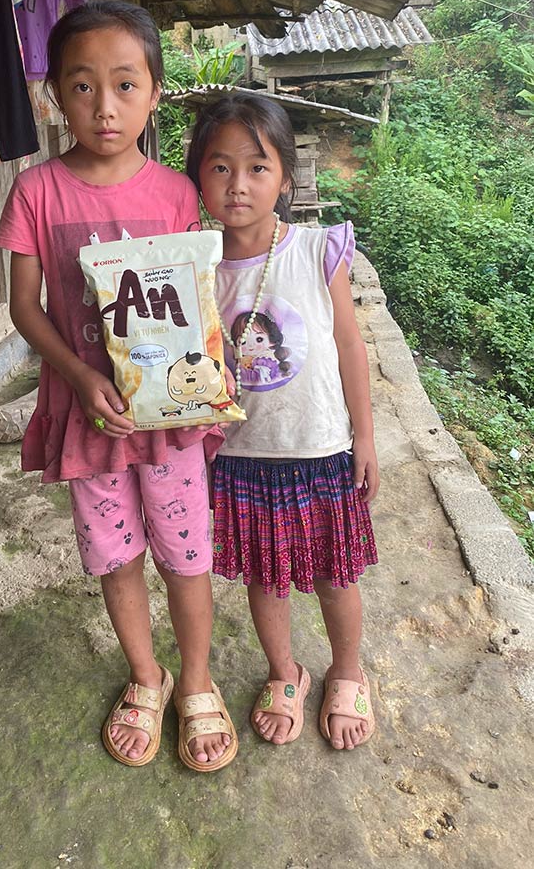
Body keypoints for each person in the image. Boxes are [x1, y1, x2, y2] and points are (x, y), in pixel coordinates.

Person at [0, 0, 238, 772]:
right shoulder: (37, 193)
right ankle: (147, 674)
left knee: (185, 552)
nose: (105, 107)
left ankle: (196, 680)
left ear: (156, 92)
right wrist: (77, 371)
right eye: (83, 86)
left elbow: (192, 298)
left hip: (167, 415)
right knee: (115, 555)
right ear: (53, 94)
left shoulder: (173, 192)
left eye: (126, 85)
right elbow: (23, 307)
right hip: (87, 416)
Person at [186, 94, 379, 752]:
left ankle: (348, 670)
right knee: (267, 578)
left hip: (320, 447)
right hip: (240, 455)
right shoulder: (194, 269)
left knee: (335, 573)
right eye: (218, 168)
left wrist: (366, 439)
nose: (238, 184)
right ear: (197, 178)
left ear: (285, 180)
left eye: (257, 167)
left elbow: (350, 346)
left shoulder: (317, 251)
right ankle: (284, 671)